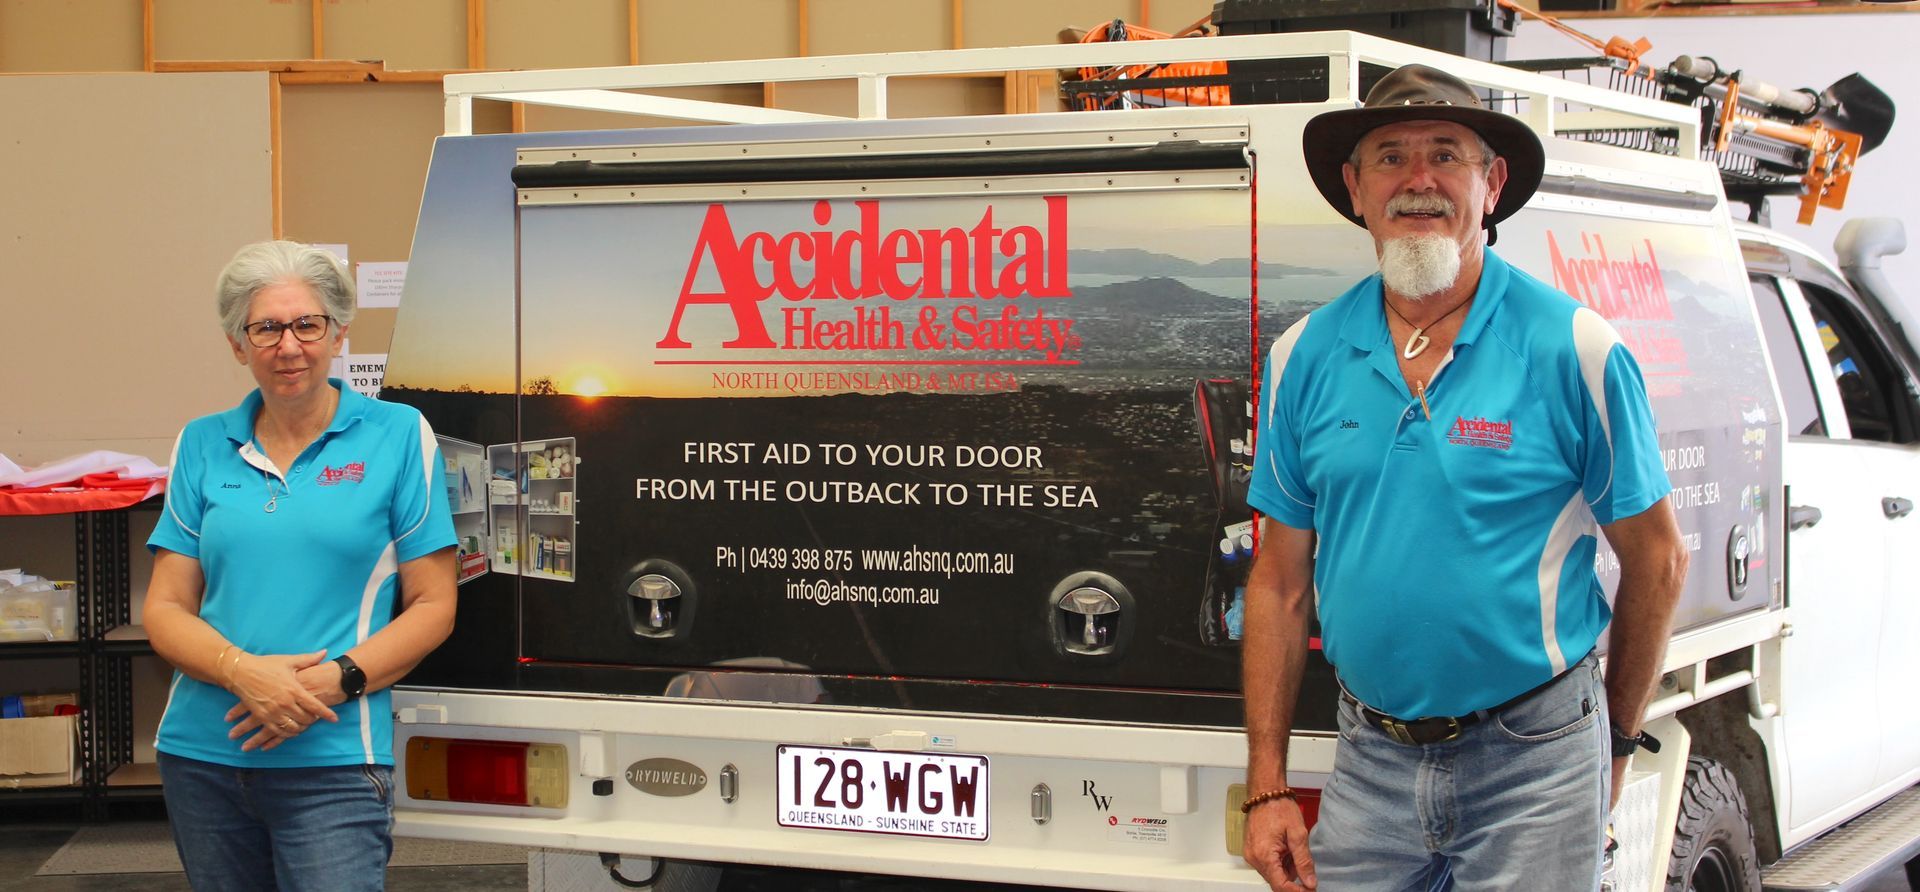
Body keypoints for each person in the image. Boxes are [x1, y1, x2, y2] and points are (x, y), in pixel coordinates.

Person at [1239, 65, 1689, 891]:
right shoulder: (1303, 356)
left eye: (1447, 155)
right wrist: (1266, 783)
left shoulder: (1575, 349)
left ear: (1492, 185)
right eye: (1389, 157)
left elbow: (1657, 560)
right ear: (1355, 187)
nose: (1418, 181)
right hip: (1369, 761)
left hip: (1537, 761)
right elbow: (1277, 582)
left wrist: (1615, 744)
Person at [145, 240, 458, 891]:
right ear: (239, 344)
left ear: (338, 331)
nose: (288, 346)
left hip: (333, 759)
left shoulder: (398, 434)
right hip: (203, 757)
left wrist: (329, 683)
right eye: (266, 328)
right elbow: (165, 608)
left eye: (306, 324)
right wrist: (245, 675)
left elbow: (433, 604)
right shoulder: (202, 442)